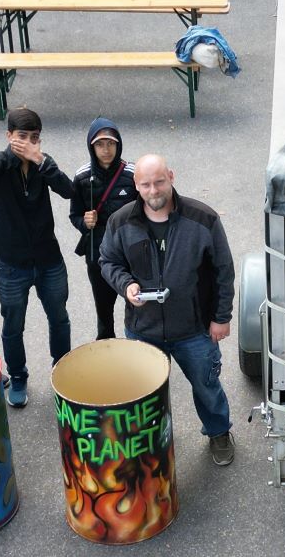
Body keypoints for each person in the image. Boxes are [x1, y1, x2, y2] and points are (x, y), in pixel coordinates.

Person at [98, 154, 237, 465]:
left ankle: (218, 432)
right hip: (142, 329)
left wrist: (221, 318)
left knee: (207, 384)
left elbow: (223, 270)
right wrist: (125, 285)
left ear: (171, 177)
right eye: (145, 184)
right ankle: (149, 443)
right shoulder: (120, 222)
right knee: (144, 395)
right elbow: (108, 261)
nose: (153, 190)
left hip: (195, 329)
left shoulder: (203, 219)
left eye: (159, 182)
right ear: (136, 185)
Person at [0, 105, 74, 408]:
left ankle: (62, 372)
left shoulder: (43, 163)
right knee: (13, 324)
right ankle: (18, 376)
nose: (27, 142)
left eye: (34, 137)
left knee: (59, 318)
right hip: (11, 263)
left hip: (48, 259)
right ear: (9, 135)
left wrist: (39, 160)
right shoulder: (1, 163)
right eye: (22, 136)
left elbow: (69, 191)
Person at [68, 118, 139, 339]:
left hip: (132, 256)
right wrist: (84, 222)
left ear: (118, 145)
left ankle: (140, 355)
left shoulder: (133, 174)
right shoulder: (82, 177)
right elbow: (74, 215)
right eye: (100, 144)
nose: (106, 150)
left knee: (138, 308)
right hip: (98, 256)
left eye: (111, 143)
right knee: (104, 313)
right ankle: (107, 355)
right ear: (91, 146)